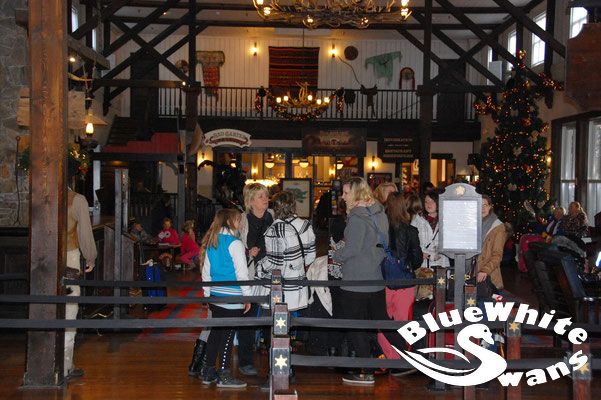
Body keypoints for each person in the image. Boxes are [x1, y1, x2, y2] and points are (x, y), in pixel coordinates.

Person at [332, 177, 408, 385]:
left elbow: (352, 249)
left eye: (346, 192)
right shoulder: (379, 213)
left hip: (356, 280)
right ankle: (410, 357)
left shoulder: (357, 218)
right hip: (375, 277)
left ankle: (366, 370)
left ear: (356, 193)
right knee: (382, 321)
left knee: (354, 325)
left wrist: (336, 254)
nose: (343, 196)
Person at [255, 190, 316, 390]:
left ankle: (275, 372)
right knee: (287, 329)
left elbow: (274, 263)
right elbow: (310, 258)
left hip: (278, 289)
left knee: (273, 330)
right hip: (297, 287)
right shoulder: (305, 225)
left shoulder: (276, 228)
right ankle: (289, 368)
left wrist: (258, 268)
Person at [200, 209, 251, 388]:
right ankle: (224, 374)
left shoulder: (213, 241)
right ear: (230, 221)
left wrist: (207, 295)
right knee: (228, 336)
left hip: (216, 295)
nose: (240, 223)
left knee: (215, 334)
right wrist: (248, 297)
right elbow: (242, 273)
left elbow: (206, 272)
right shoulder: (235, 243)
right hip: (233, 296)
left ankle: (208, 371)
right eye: (238, 220)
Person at [377, 193, 423, 366]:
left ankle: (389, 357)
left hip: (382, 282)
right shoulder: (411, 231)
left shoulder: (380, 231)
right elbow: (417, 260)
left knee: (383, 322)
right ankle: (401, 359)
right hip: (405, 282)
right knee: (404, 322)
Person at [237, 182, 274, 376]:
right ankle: (245, 361)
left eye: (266, 195)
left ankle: (274, 360)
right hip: (250, 274)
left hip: (270, 274)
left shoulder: (272, 217)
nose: (265, 199)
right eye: (261, 196)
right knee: (248, 318)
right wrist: (246, 252)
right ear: (250, 201)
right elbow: (234, 247)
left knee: (272, 317)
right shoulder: (242, 221)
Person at [64, 166, 97, 381]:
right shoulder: (77, 200)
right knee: (69, 309)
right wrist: (91, 257)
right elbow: (85, 232)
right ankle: (66, 364)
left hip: (43, 259)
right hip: (70, 257)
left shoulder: (40, 197)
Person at [477, 195, 509, 293]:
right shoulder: (472, 223)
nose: (482, 208)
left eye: (485, 205)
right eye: (480, 205)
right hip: (471, 272)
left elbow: (497, 255)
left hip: (488, 276)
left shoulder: (498, 227)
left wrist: (485, 270)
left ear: (490, 206)